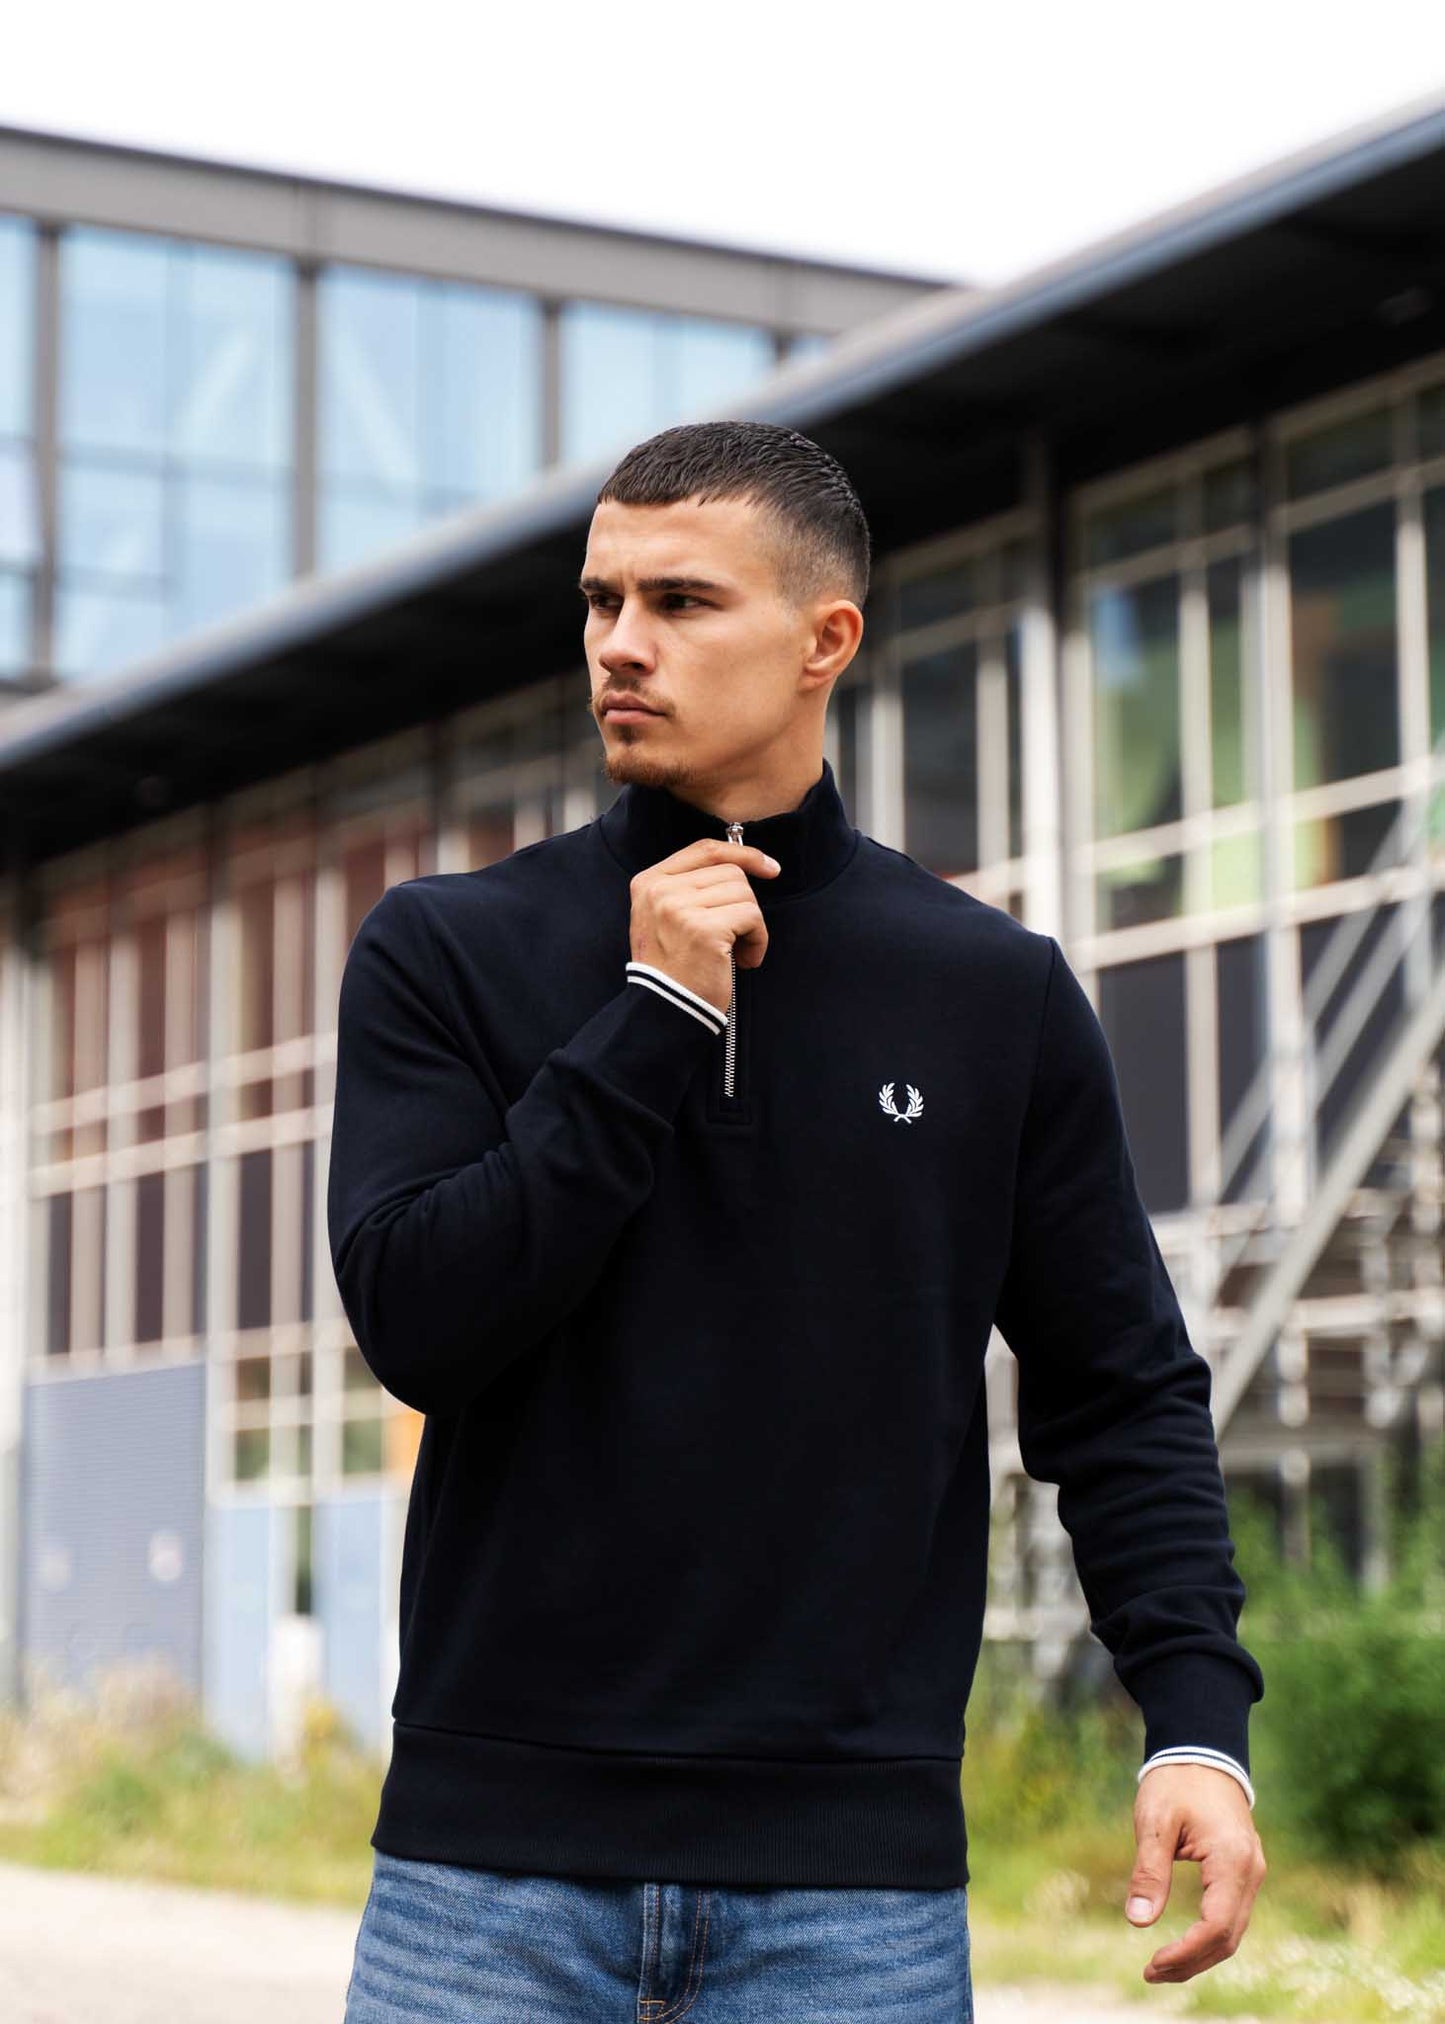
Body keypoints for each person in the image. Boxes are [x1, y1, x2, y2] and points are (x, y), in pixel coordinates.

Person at [328, 419, 1267, 2021]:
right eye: (601, 600)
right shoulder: (446, 948)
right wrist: (647, 1014)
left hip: (847, 1902)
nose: (620, 645)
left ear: (825, 639)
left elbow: (1119, 1392)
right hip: (487, 1883)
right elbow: (421, 1323)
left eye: (681, 602)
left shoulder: (988, 992)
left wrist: (1192, 1721)